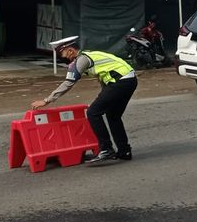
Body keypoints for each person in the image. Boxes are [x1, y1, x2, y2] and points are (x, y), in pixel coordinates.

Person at [31, 36, 137, 164]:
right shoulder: (89, 55)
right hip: (129, 80)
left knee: (93, 112)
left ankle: (106, 149)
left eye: (62, 54)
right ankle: (124, 151)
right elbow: (104, 75)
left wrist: (46, 100)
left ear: (70, 51)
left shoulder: (82, 60)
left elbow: (68, 83)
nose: (63, 58)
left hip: (121, 82)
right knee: (113, 116)